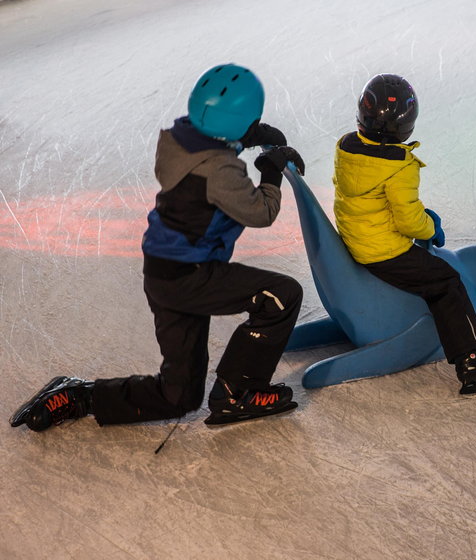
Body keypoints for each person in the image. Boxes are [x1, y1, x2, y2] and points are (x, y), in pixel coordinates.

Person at [11, 63, 306, 431]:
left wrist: (244, 137)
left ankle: (80, 395)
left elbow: (209, 148)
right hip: (193, 277)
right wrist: (272, 170)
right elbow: (262, 212)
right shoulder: (220, 172)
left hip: (163, 274)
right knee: (281, 296)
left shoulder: (179, 138)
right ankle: (239, 393)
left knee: (178, 396)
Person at [332, 73, 476, 395]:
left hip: (356, 238)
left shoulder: (347, 148)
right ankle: (471, 362)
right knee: (446, 281)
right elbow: (410, 223)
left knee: (434, 271)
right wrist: (431, 226)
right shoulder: (400, 166)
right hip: (383, 251)